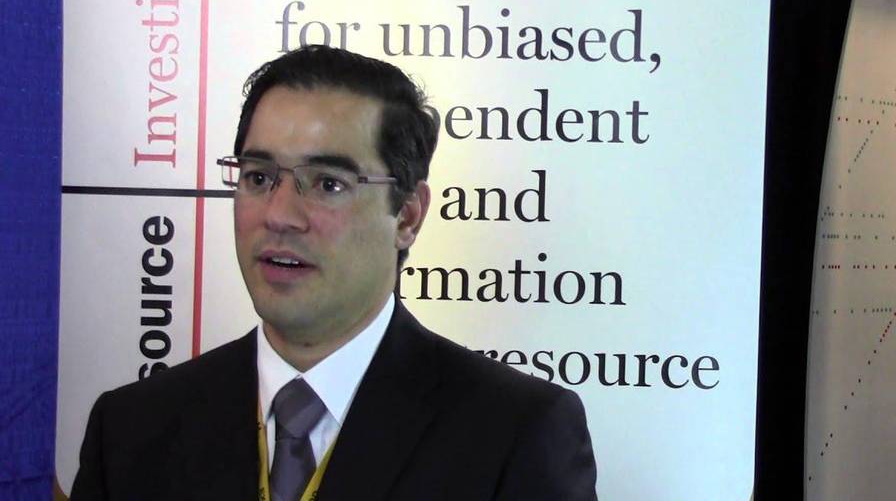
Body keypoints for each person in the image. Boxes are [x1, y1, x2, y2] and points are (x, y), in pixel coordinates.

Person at [71, 45, 598, 501]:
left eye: (327, 184)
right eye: (259, 177)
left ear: (407, 216)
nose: (279, 215)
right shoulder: (132, 431)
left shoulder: (514, 435)